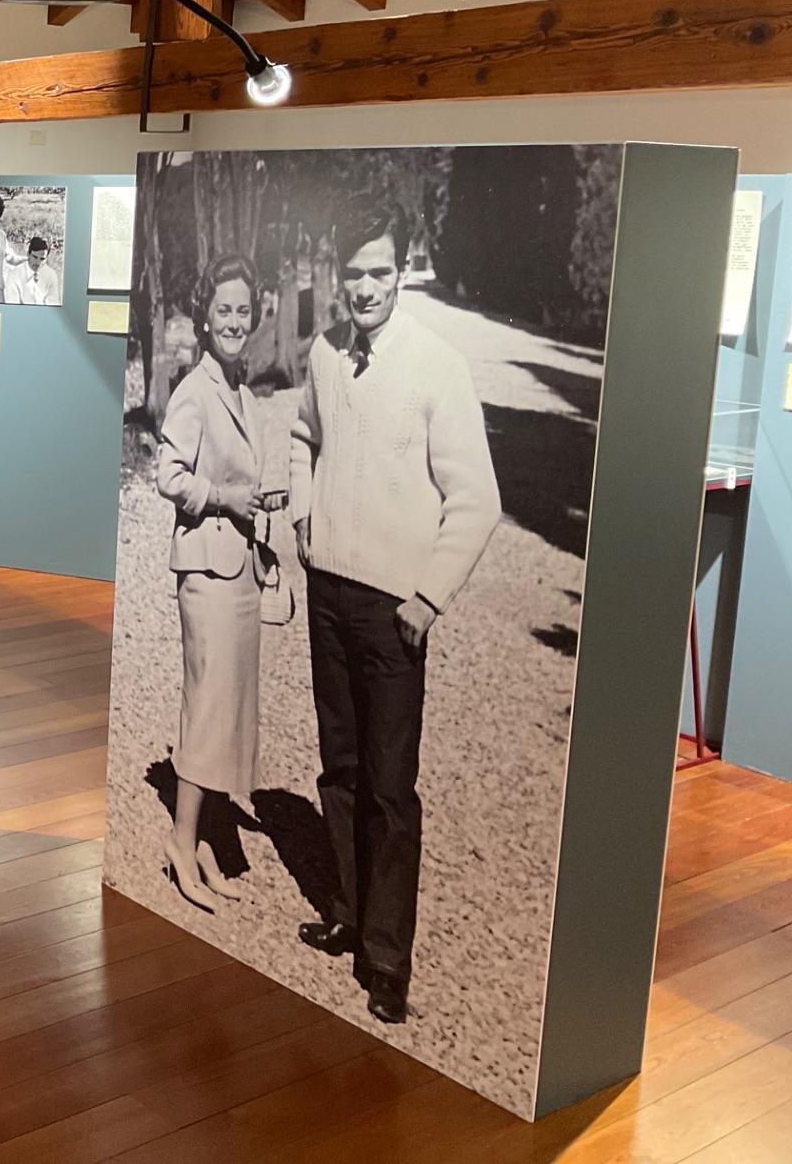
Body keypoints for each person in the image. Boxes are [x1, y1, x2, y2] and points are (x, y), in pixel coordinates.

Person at [289, 208, 501, 1026]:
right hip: (329, 594)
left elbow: (477, 499)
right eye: (353, 272)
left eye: (380, 271)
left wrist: (430, 595)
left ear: (403, 272)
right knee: (339, 768)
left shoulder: (437, 365)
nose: (365, 287)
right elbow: (302, 436)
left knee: (389, 787)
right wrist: (302, 516)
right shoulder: (324, 353)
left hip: (393, 611)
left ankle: (386, 960)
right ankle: (348, 912)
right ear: (337, 275)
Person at [155, 254, 273, 914]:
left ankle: (203, 841)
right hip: (205, 572)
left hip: (241, 569)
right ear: (204, 317)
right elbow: (168, 475)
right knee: (207, 706)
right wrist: (224, 498)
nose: (233, 321)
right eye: (223, 309)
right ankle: (180, 841)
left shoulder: (243, 393)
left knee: (229, 709)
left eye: (243, 310)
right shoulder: (194, 391)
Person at [11, 236, 61, 305]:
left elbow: (53, 303)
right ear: (28, 254)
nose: (38, 263)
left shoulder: (51, 275)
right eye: (35, 257)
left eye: (42, 259)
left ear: (46, 258)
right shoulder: (14, 275)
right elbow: (12, 306)